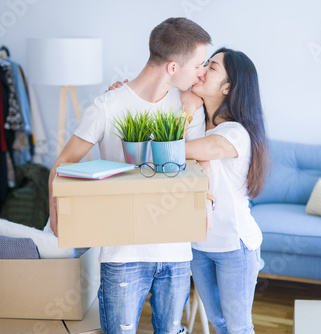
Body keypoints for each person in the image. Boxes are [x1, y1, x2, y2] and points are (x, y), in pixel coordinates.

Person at [48, 17, 211, 334]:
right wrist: (56, 210)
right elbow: (64, 162)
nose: (202, 73)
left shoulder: (190, 106)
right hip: (123, 255)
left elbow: (200, 167)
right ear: (173, 68)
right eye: (198, 64)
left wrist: (208, 201)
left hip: (176, 252)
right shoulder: (108, 105)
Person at [183, 47, 269, 334]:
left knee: (238, 326)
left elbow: (175, 151)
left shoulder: (235, 133)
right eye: (204, 63)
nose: (203, 69)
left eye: (213, 67)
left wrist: (186, 107)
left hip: (235, 245)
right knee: (218, 322)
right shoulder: (199, 125)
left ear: (228, 87)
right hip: (199, 244)